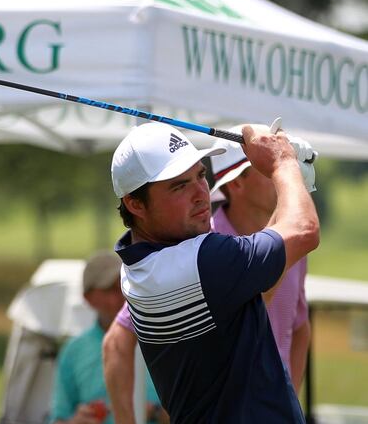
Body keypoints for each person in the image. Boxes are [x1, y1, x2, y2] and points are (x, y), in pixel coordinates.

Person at [105, 122, 318, 423]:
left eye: (201, 175)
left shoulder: (139, 268)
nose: (200, 194)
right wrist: (283, 163)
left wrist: (289, 187)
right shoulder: (204, 261)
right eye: (179, 186)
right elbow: (304, 231)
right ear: (135, 204)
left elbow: (256, 288)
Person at [50, 250, 165, 424]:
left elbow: (197, 412)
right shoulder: (73, 351)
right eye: (111, 289)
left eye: (126, 284)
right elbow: (58, 417)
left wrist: (156, 413)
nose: (123, 294)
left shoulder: (164, 339)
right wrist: (76, 421)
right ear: (89, 299)